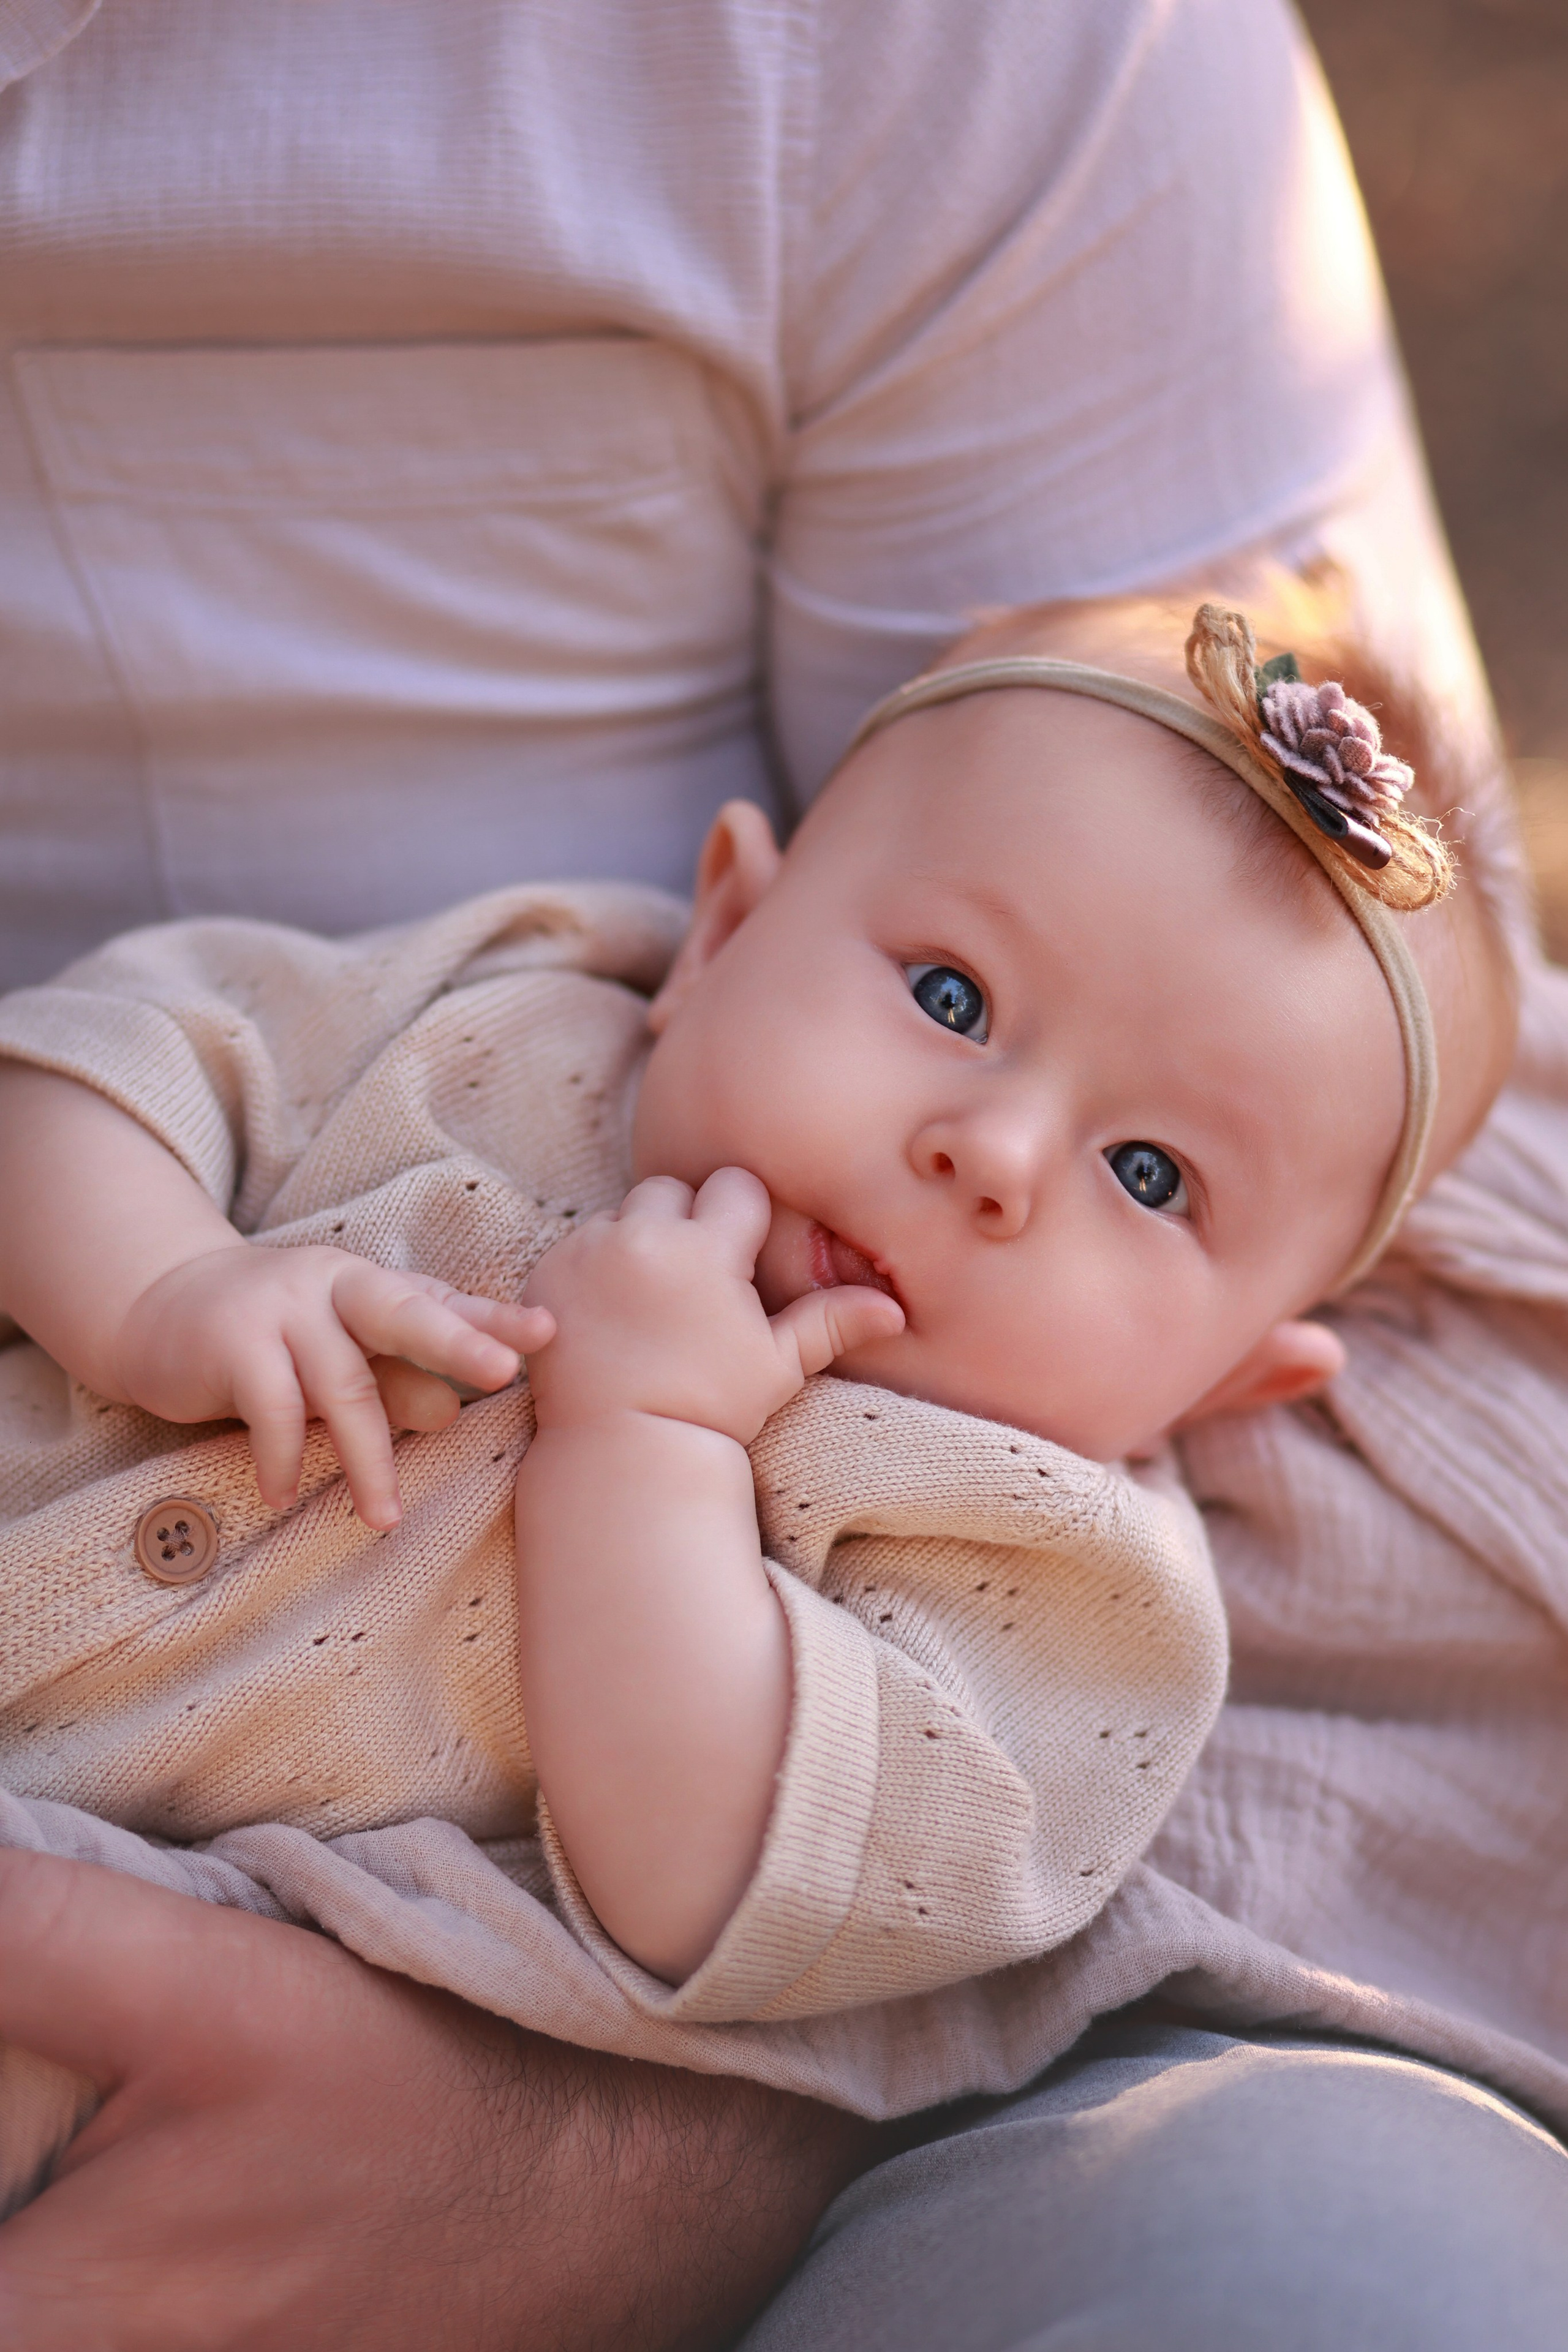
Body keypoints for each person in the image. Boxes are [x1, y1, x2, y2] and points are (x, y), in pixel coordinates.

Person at [2, 0, 1563, 2345]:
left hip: (289, 1964)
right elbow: (107, 1048)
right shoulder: (513, 997)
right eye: (946, 997)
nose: (990, 1154)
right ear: (726, 916)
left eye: (1150, 1174)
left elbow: (702, 1880)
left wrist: (642, 1455)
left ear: (1256, 1373)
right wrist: (151, 1293)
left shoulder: (1058, 1590)